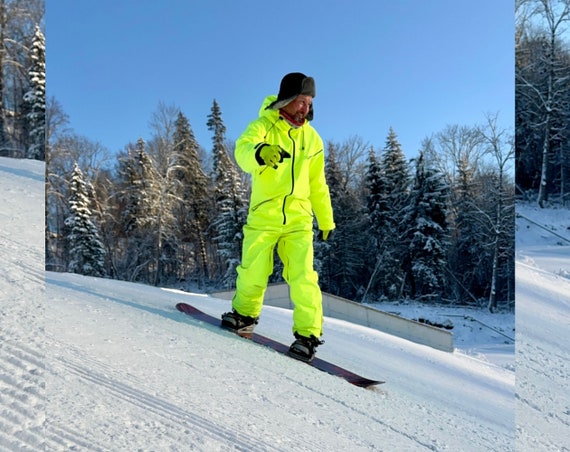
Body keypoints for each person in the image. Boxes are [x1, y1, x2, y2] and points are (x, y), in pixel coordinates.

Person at [221, 72, 335, 362]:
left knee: (303, 277)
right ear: (286, 100)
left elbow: (318, 183)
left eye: (309, 102)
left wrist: (326, 219)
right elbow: (242, 150)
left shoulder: (313, 139)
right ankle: (244, 316)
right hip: (264, 215)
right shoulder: (263, 126)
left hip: (298, 220)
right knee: (253, 271)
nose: (304, 108)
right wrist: (260, 152)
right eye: (300, 101)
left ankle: (308, 336)